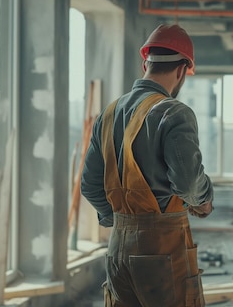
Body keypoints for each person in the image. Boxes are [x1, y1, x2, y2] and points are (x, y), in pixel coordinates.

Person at [81, 24, 214, 307]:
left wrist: (119, 221)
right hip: (163, 249)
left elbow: (90, 186)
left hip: (117, 249)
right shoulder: (174, 112)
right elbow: (188, 184)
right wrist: (202, 200)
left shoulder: (108, 114)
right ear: (181, 71)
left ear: (146, 63)